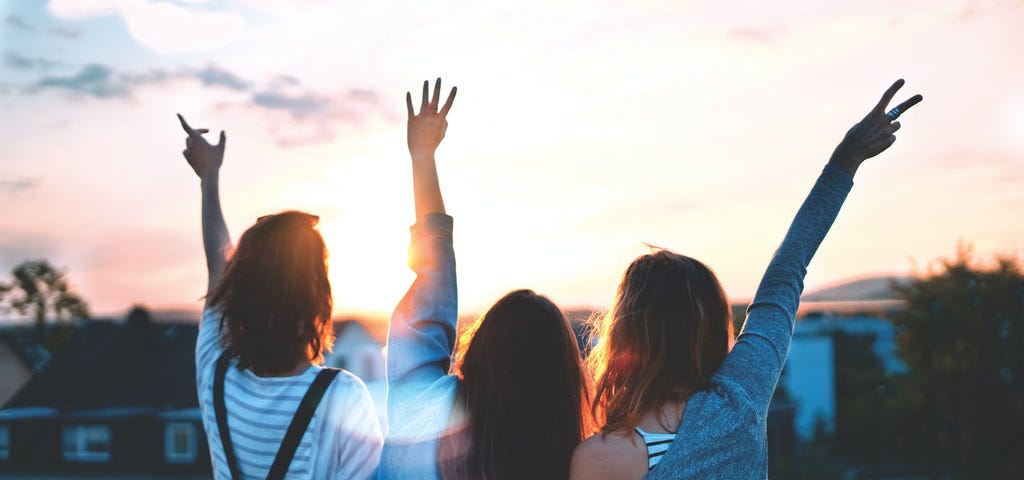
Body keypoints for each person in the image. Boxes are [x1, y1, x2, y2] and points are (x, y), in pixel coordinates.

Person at [570, 79, 924, 479]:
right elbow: (787, 270)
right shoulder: (740, 398)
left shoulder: (598, 458)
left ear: (625, 334)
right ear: (709, 329)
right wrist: (846, 160)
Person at [379, 79, 594, 480]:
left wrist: (422, 158)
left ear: (480, 350)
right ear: (562, 380)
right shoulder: (574, 463)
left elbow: (433, 286)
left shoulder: (420, 415)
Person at [178, 113, 383, 479]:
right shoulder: (344, 400)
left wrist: (209, 178)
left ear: (237, 295)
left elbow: (216, 265)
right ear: (318, 299)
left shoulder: (215, 373)